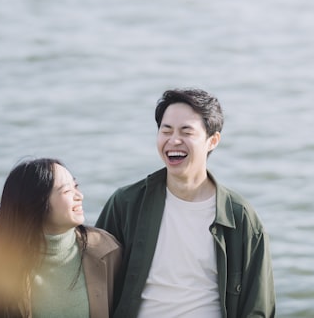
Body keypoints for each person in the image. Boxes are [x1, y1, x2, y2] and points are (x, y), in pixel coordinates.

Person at [96, 88, 275, 318]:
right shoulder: (126, 204)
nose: (174, 140)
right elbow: (92, 276)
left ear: (213, 141)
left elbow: (257, 308)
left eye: (186, 131)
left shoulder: (241, 218)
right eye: (166, 130)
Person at [0, 158, 123, 318]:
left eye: (76, 186)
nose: (79, 196)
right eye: (67, 191)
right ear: (37, 204)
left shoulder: (106, 250)